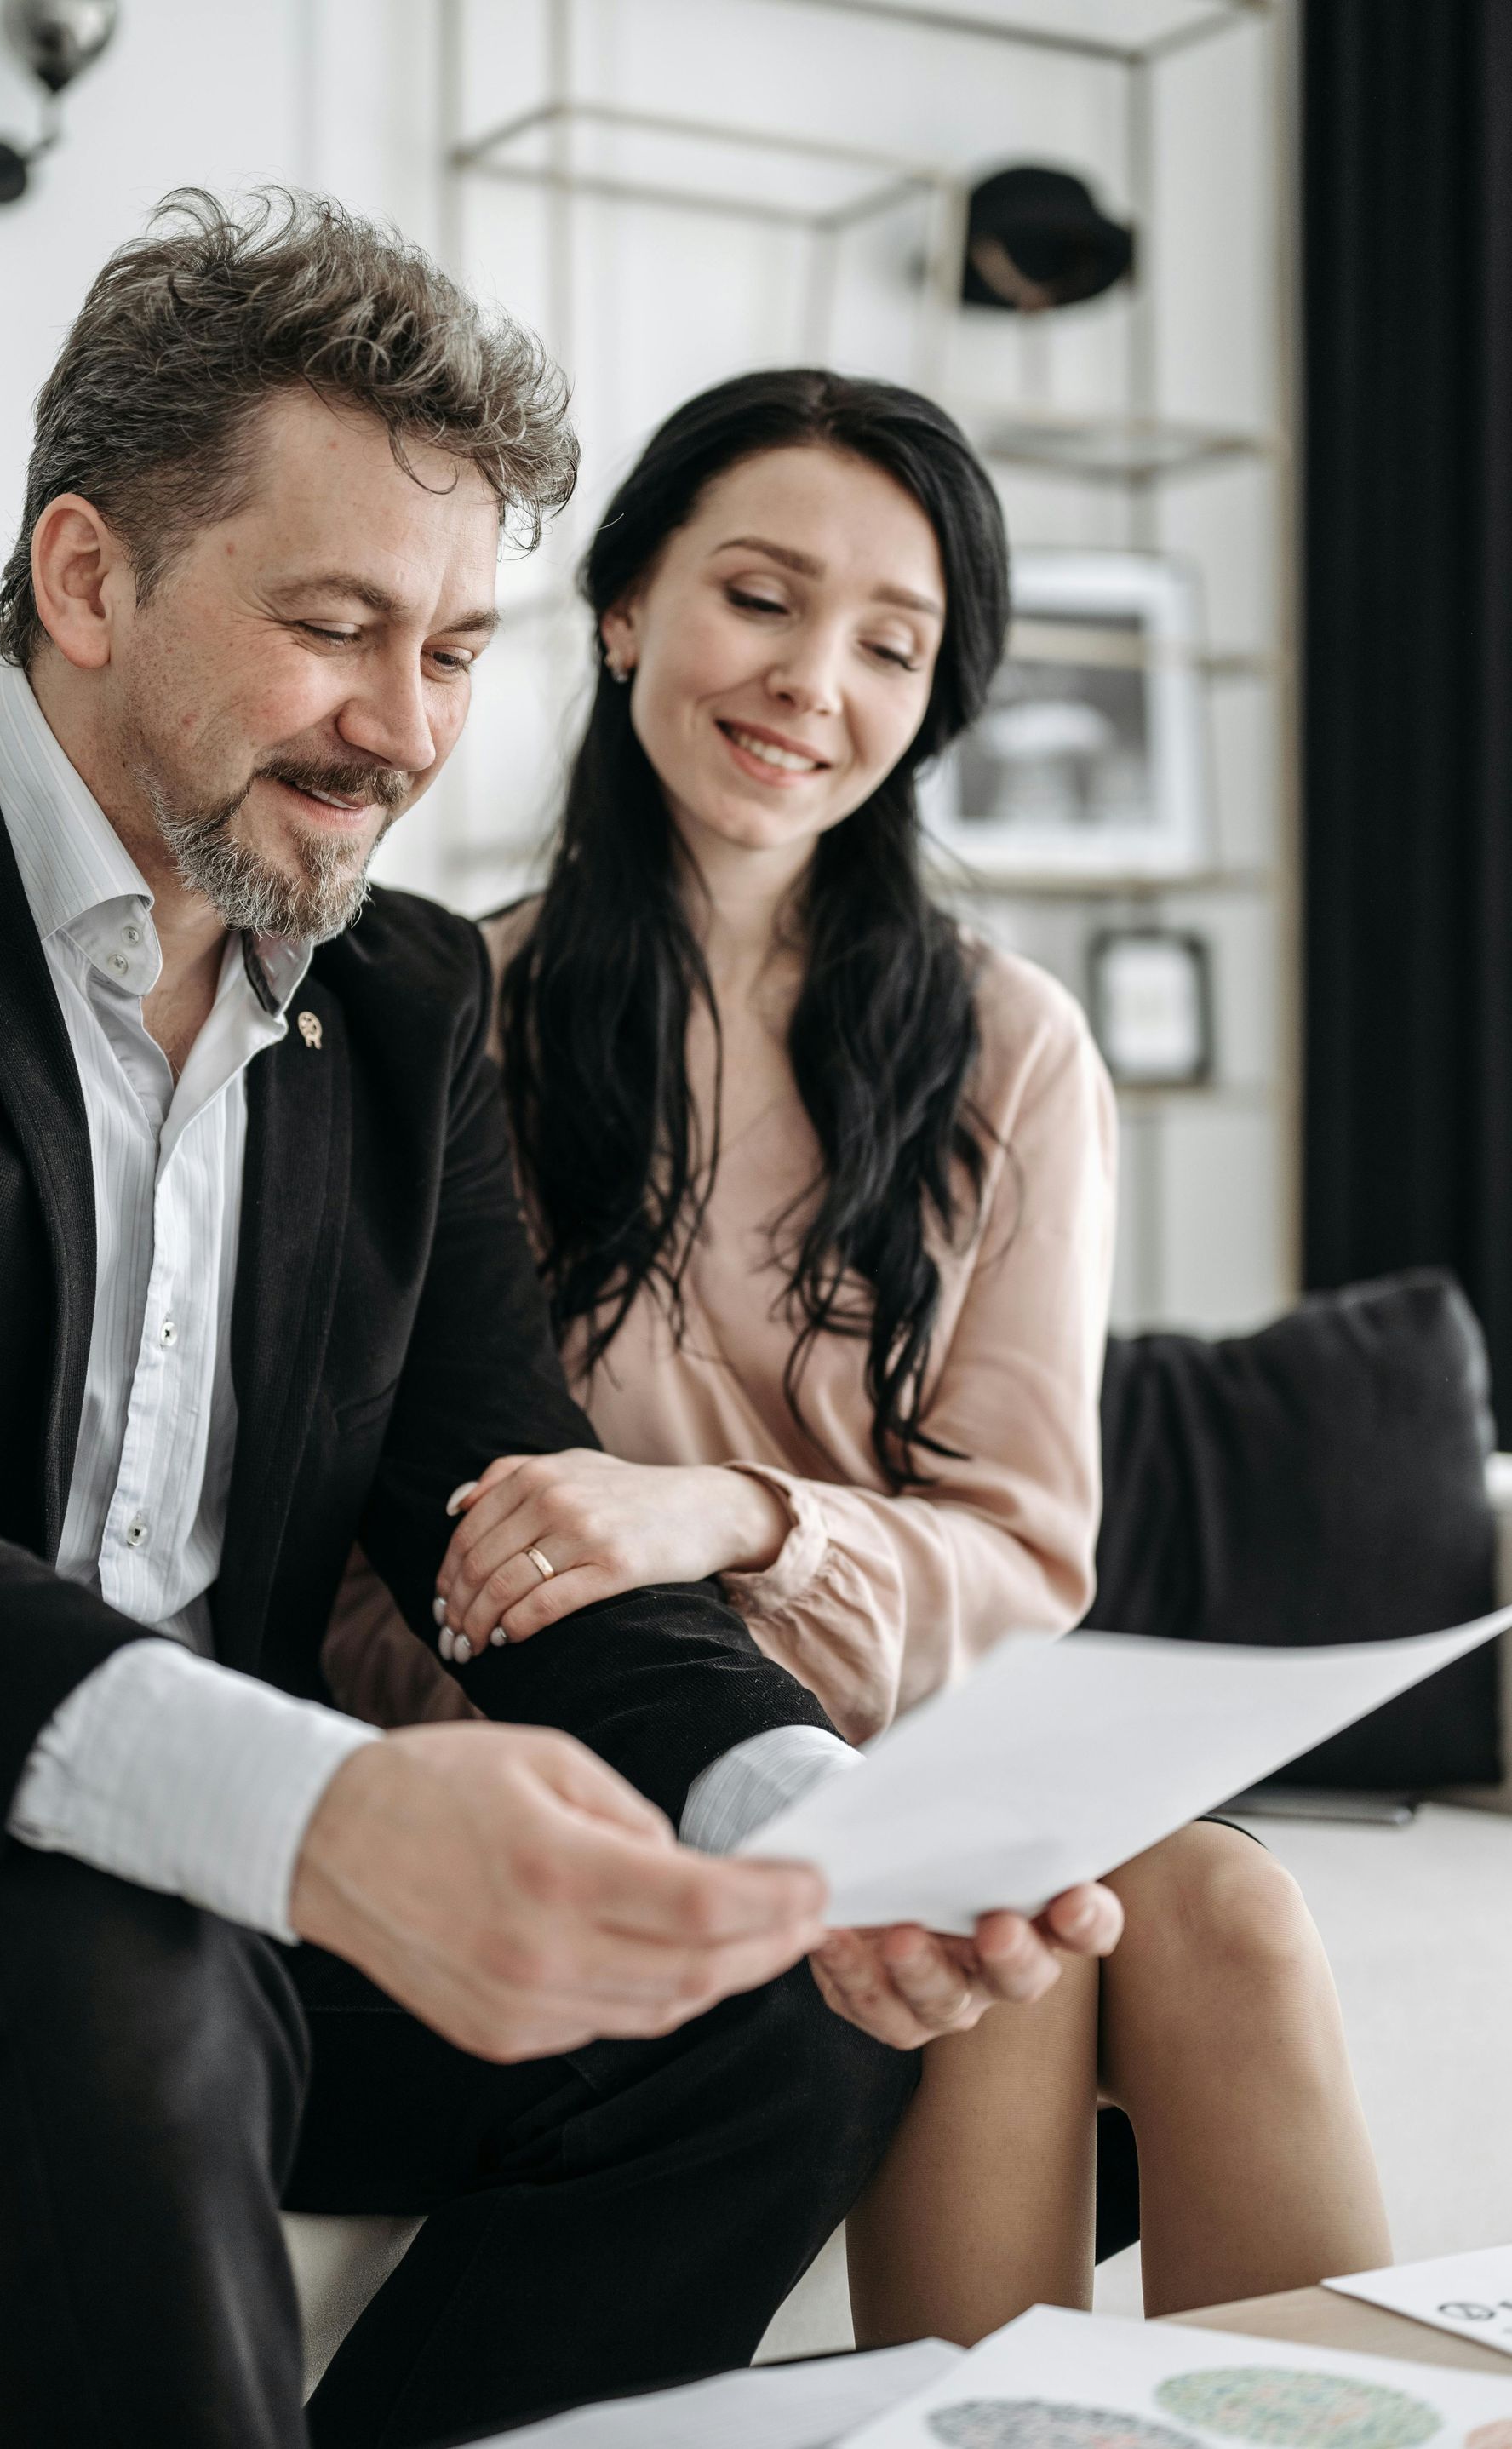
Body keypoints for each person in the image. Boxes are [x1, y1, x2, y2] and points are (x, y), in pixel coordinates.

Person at [0, 196, 1127, 2449]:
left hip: (216, 1895)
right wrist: (328, 1807)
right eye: (338, 629)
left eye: (455, 649)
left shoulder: (396, 994)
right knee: (117, 1975)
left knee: (788, 2010)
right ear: (87, 578)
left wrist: (818, 1835)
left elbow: (502, 1511)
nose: (403, 731)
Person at [330, 367, 1392, 2346]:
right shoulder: (435, 1021)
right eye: (759, 595)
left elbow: (1022, 1558)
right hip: (585, 1772)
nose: (813, 677)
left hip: (940, 1743)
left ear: (932, 703)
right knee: (994, 1942)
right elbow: (377, 1576)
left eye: (890, 644)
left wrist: (730, 1518)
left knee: (1225, 1907)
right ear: (628, 599)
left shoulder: (1010, 1048)